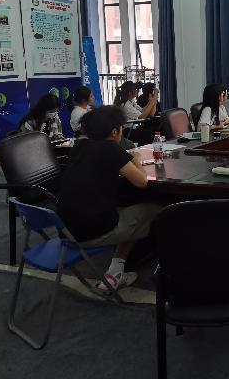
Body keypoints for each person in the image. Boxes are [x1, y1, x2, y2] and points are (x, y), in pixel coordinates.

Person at [57, 106, 163, 290]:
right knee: (158, 208)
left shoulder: (80, 146)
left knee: (129, 209)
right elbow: (142, 182)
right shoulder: (109, 148)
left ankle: (116, 272)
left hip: (67, 230)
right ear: (115, 132)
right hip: (92, 232)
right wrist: (136, 159)